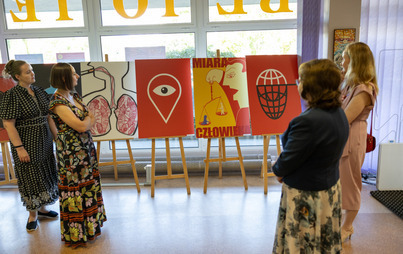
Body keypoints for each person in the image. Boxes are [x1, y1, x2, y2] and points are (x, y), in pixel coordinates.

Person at [272, 59, 349, 253]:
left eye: (301, 80)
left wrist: (277, 169)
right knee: (323, 243)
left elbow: (289, 159)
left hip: (306, 196)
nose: (298, 83)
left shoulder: (308, 121)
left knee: (302, 244)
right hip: (329, 190)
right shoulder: (338, 112)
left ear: (311, 85)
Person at [49, 62, 106, 247]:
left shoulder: (74, 96)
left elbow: (89, 117)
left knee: (88, 187)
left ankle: (91, 228)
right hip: (71, 156)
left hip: (85, 151)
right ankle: (76, 234)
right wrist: (87, 120)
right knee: (75, 190)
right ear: (65, 77)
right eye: (74, 74)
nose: (77, 77)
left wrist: (87, 120)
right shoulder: (58, 102)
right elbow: (82, 125)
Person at [0, 60, 59, 232]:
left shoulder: (39, 91)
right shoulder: (12, 95)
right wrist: (19, 148)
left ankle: (42, 209)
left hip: (45, 140)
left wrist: (56, 138)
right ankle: (32, 214)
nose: (32, 73)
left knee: (44, 173)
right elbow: (9, 124)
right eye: (27, 72)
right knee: (30, 177)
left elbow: (48, 117)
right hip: (27, 142)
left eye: (31, 70)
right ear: (17, 76)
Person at [339, 42, 378, 242]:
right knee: (341, 180)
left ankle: (347, 226)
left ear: (355, 61)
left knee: (351, 182)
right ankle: (343, 223)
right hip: (343, 136)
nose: (342, 61)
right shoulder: (349, 84)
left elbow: (345, 117)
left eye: (345, 57)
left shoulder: (364, 89)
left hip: (352, 136)